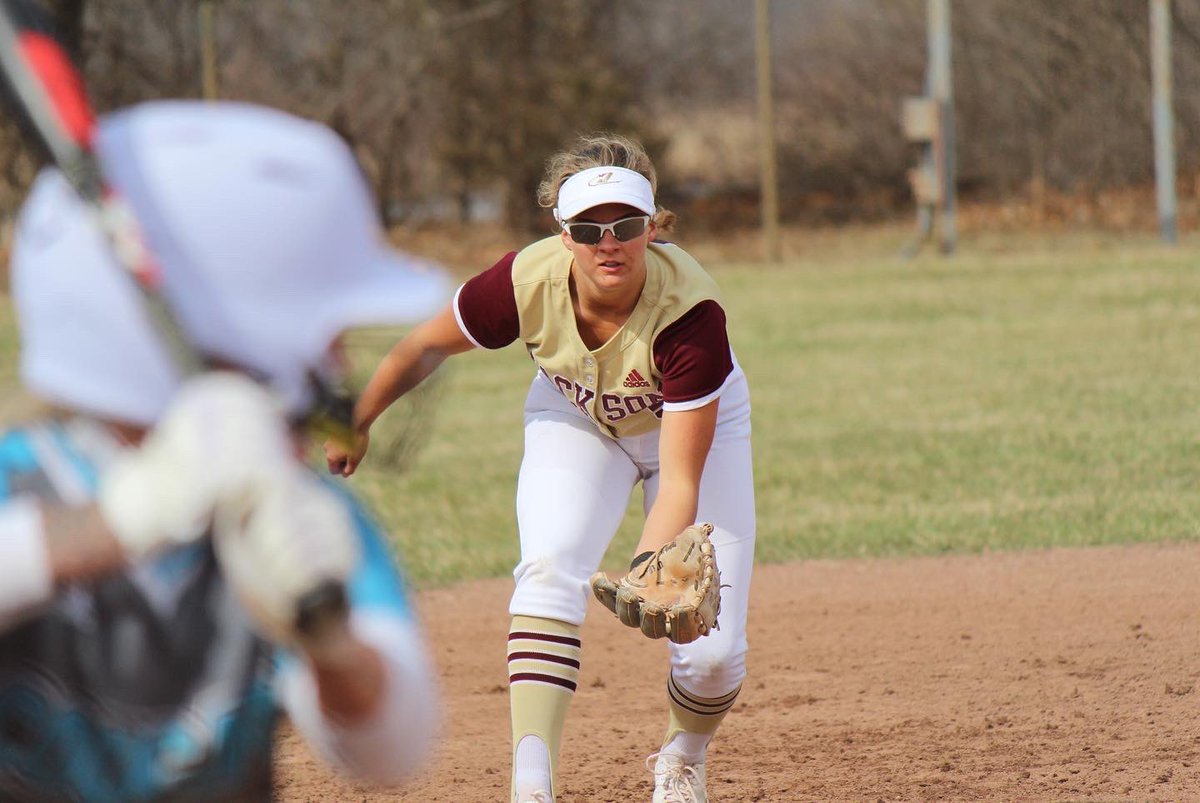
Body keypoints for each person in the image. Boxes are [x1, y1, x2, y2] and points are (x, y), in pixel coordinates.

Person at [0, 100, 449, 801]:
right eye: (323, 331)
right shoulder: (23, 478)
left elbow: (393, 747)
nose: (338, 363)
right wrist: (113, 527)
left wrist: (329, 642)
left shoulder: (300, 510)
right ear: (226, 334)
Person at [327, 134, 756, 803]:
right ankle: (532, 789)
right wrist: (361, 416)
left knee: (711, 653)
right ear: (563, 235)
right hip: (576, 418)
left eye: (625, 225)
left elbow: (678, 478)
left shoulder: (690, 316)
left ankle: (681, 758)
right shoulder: (524, 283)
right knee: (549, 568)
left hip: (693, 433)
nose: (606, 242)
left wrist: (648, 564)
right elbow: (423, 345)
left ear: (653, 227)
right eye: (587, 227)